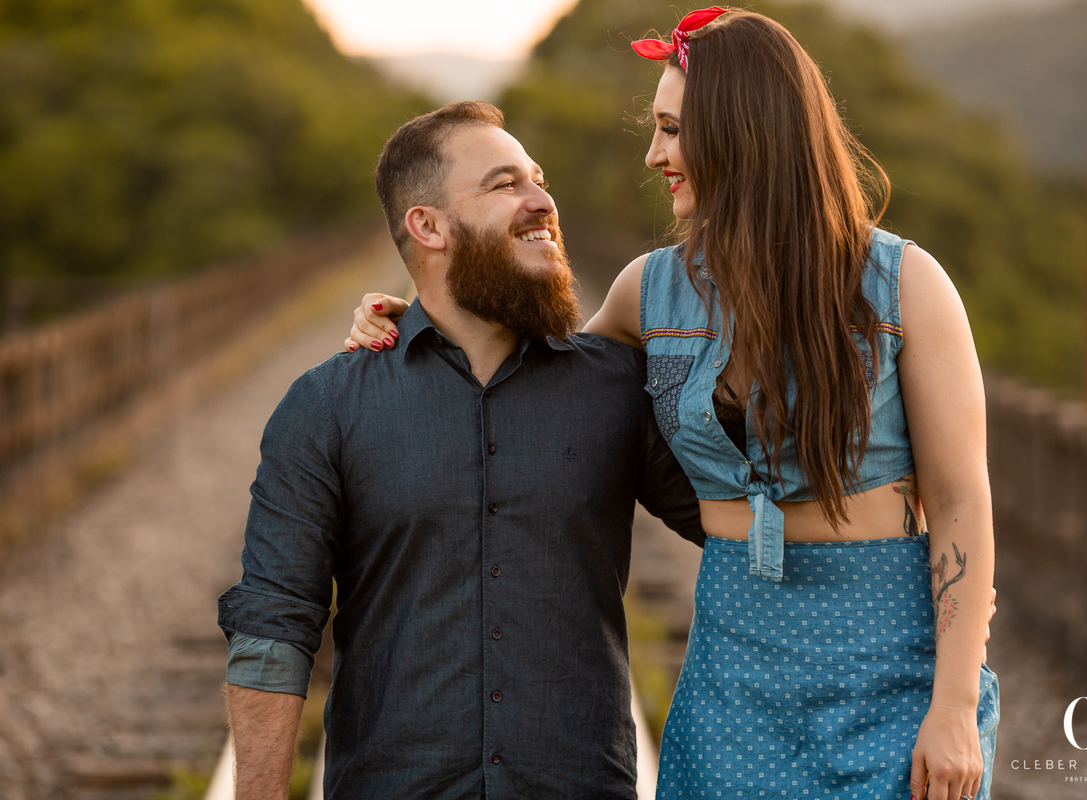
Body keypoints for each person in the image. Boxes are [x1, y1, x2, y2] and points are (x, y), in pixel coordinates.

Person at [345, 7, 999, 800]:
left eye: (670, 129)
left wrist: (955, 706)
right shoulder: (648, 291)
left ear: (741, 133)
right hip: (731, 677)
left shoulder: (904, 284)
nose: (655, 154)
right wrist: (413, 322)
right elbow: (530, 388)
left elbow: (962, 502)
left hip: (887, 666)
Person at [217, 100, 707, 799]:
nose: (543, 201)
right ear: (428, 225)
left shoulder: (617, 386)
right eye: (507, 184)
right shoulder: (326, 405)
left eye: (538, 179)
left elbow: (741, 528)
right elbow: (272, 629)